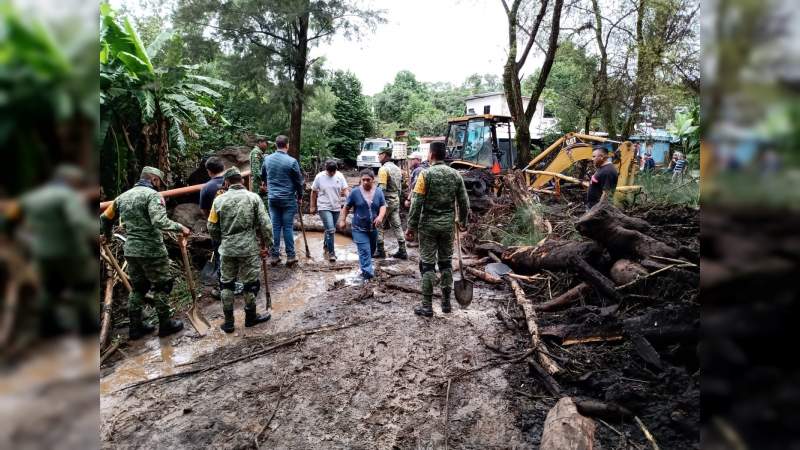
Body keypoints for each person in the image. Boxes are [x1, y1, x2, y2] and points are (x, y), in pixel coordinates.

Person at [3, 165, 99, 336]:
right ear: (71, 181)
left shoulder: (29, 197)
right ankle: (87, 328)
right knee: (81, 287)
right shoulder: (67, 196)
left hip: (42, 252)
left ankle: (48, 328)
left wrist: (9, 236)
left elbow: (9, 220)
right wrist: (96, 233)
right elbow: (78, 221)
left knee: (49, 289)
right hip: (70, 251)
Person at [101, 166, 190, 339]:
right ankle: (165, 325)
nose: (159, 186)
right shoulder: (152, 196)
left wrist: (108, 236)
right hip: (152, 251)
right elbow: (159, 221)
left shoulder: (122, 197)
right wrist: (181, 227)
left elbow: (104, 218)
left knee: (139, 288)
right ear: (154, 180)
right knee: (162, 286)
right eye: (159, 182)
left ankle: (135, 328)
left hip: (131, 250)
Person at [405, 141, 469, 317]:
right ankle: (446, 303)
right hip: (448, 226)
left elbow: (416, 203)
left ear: (431, 155)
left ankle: (427, 306)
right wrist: (463, 221)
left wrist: (411, 226)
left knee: (427, 264)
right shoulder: (456, 175)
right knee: (446, 263)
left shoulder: (425, 175)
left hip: (428, 226)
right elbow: (464, 202)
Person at [207, 167, 273, 333]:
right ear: (242, 181)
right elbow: (265, 224)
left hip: (227, 249)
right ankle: (250, 318)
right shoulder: (253, 198)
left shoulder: (219, 201)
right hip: (248, 249)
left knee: (226, 284)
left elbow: (211, 226)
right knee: (249, 284)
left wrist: (223, 240)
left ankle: (229, 322)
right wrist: (269, 245)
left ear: (227, 182)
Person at [262, 135, 304, 267]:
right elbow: (298, 181)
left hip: (273, 198)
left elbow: (263, 175)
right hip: (288, 199)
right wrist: (300, 196)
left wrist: (266, 184)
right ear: (287, 145)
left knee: (275, 227)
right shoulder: (292, 161)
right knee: (287, 227)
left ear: (275, 145)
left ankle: (274, 256)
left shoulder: (267, 159)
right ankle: (290, 256)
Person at [338, 170, 386, 282]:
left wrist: (380, 217)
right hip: (358, 228)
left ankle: (365, 268)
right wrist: (342, 220)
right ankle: (367, 276)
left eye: (367, 180)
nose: (365, 182)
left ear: (373, 180)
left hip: (373, 228)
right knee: (364, 251)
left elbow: (383, 206)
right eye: (363, 180)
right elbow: (346, 207)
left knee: (371, 250)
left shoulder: (379, 192)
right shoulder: (355, 192)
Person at [310, 160, 349, 262]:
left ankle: (326, 245)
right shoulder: (319, 177)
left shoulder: (340, 176)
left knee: (329, 228)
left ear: (336, 169)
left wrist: (350, 200)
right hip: (323, 206)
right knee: (331, 230)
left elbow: (345, 190)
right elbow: (313, 192)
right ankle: (332, 254)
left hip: (336, 206)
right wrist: (312, 206)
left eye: (333, 171)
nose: (331, 173)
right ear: (326, 169)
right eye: (329, 171)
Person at [199, 156, 226, 296]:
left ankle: (223, 286)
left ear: (209, 171)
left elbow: (204, 211)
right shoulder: (233, 182)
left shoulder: (206, 188)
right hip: (236, 226)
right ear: (224, 167)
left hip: (217, 227)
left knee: (220, 254)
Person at [375, 147, 407, 259]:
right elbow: (401, 186)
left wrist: (375, 202)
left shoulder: (383, 169)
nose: (378, 156)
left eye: (379, 154)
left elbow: (381, 189)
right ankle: (403, 250)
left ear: (384, 155)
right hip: (395, 201)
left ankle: (380, 251)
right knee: (397, 225)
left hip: (386, 202)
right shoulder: (397, 169)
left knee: (378, 224)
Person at [249, 135, 270, 210]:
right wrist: (263, 183)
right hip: (259, 185)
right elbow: (256, 171)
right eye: (265, 143)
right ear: (260, 142)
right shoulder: (256, 152)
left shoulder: (260, 153)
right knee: (261, 206)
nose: (267, 145)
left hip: (260, 184)